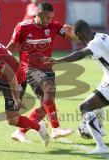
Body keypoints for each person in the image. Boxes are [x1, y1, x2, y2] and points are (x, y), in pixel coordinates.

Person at [46, 20, 109, 154]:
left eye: (76, 36)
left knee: (85, 107)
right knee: (95, 103)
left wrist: (57, 61)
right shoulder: (103, 36)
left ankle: (101, 146)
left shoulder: (95, 43)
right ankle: (99, 127)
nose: (76, 39)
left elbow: (80, 54)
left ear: (80, 34)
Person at [7, 2, 79, 142]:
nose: (50, 21)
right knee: (48, 88)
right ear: (38, 14)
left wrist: (73, 33)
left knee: (45, 104)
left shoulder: (54, 25)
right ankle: (56, 128)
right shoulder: (22, 27)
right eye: (47, 18)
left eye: (52, 18)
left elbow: (72, 38)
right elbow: (10, 47)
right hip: (29, 68)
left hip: (47, 68)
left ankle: (20, 132)